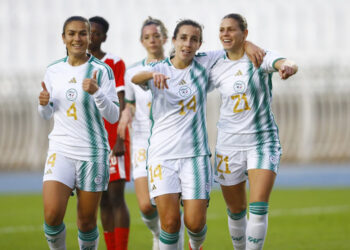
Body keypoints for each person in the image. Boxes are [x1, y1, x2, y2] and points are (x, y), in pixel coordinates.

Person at [130, 19, 264, 250]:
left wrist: (249, 44)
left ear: (200, 43)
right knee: (170, 223)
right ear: (173, 40)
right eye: (183, 38)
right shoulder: (159, 69)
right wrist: (151, 77)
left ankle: (195, 245)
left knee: (195, 223)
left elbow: (233, 46)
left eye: (194, 39)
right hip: (162, 157)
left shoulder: (205, 63)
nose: (188, 43)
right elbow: (136, 78)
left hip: (195, 157)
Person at [209, 13, 298, 250]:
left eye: (231, 29)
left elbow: (284, 61)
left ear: (244, 33)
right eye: (222, 30)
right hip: (228, 145)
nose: (225, 34)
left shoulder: (259, 57)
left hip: (262, 142)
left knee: (258, 208)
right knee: (236, 211)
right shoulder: (215, 64)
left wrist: (287, 67)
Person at [38, 16, 120, 250]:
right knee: (52, 216)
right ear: (63, 38)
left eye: (82, 33)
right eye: (72, 33)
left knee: (86, 222)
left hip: (92, 152)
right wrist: (44, 104)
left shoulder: (101, 71)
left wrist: (97, 93)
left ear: (89, 37)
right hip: (61, 149)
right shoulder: (53, 70)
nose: (77, 38)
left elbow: (113, 115)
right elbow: (46, 114)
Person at [118, 17, 186, 250]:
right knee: (146, 205)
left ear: (165, 39)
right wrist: (127, 112)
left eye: (156, 36)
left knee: (170, 205)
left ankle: (171, 238)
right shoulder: (133, 72)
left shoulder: (175, 67)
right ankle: (159, 235)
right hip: (141, 142)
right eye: (147, 37)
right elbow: (130, 102)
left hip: (169, 142)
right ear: (141, 41)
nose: (152, 40)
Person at [88, 16, 130, 250]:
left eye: (96, 33)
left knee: (116, 198)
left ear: (104, 37)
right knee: (101, 200)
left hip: (113, 138)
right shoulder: (77, 64)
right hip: (90, 140)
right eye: (88, 32)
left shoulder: (114, 63)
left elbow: (121, 101)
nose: (91, 36)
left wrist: (121, 138)